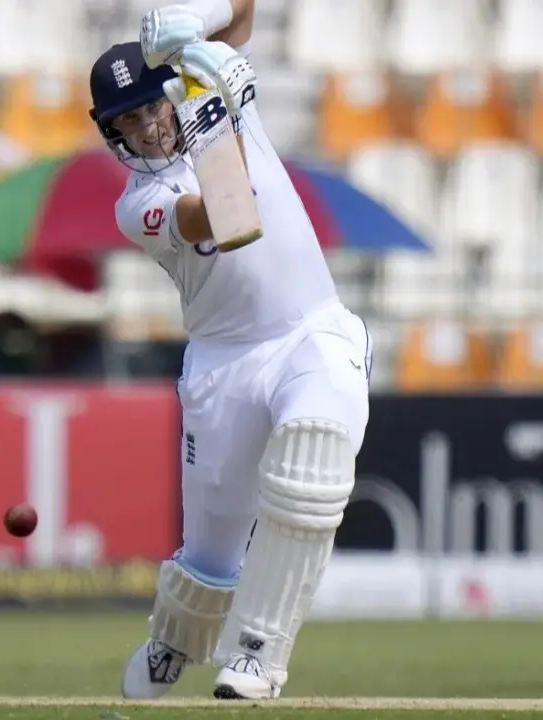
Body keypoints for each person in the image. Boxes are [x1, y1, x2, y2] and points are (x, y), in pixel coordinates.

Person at [87, 0, 373, 702]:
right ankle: (177, 641)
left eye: (152, 105)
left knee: (314, 454)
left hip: (312, 329)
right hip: (224, 365)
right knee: (211, 552)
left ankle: (257, 653)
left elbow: (242, 12)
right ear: (114, 134)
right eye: (130, 119)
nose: (151, 124)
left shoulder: (202, 83)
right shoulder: (140, 204)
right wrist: (225, 98)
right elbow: (227, 216)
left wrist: (194, 22)